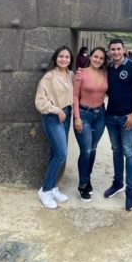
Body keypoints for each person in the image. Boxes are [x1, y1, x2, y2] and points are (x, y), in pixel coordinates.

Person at [103, 38, 132, 211]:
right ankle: (118, 183)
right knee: (116, 150)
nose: (115, 52)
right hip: (111, 116)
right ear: (109, 51)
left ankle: (130, 190)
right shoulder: (108, 69)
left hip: (127, 118)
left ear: (124, 50)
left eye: (118, 49)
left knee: (129, 152)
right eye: (112, 49)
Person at [34, 46, 74, 209]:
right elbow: (40, 101)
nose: (64, 59)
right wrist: (56, 110)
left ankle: (53, 187)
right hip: (53, 117)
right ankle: (45, 190)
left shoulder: (71, 75)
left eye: (67, 57)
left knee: (55, 152)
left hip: (67, 113)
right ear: (55, 58)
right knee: (61, 154)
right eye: (61, 57)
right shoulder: (48, 78)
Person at [73, 47, 108, 202]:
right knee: (86, 150)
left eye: (101, 58)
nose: (98, 60)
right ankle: (82, 185)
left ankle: (87, 179)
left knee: (93, 150)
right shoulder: (81, 73)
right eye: (95, 57)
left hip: (100, 115)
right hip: (84, 115)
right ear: (90, 57)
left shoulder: (105, 73)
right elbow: (74, 96)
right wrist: (77, 117)